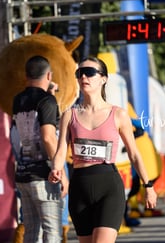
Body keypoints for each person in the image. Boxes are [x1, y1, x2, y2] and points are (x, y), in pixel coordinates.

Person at [49, 56, 157, 243]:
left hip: (109, 187)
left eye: (90, 72)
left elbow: (134, 154)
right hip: (79, 188)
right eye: (80, 73)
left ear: (103, 79)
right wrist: (56, 169)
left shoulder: (118, 114)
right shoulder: (69, 115)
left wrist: (148, 186)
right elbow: (60, 152)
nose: (84, 77)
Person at [11, 55, 67, 243]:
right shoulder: (47, 101)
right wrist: (60, 171)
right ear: (49, 75)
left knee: (31, 232)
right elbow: (48, 137)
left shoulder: (18, 100)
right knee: (52, 232)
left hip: (23, 174)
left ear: (26, 75)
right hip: (45, 176)